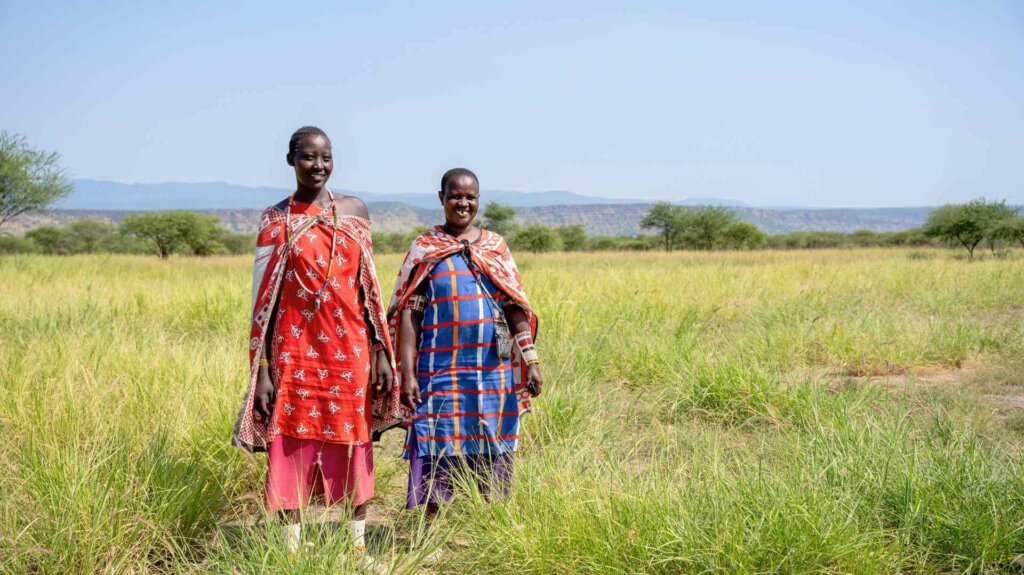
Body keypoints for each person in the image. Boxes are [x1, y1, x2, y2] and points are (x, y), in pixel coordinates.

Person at [231, 126, 402, 560]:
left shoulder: (355, 211)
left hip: (351, 351)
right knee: (289, 442)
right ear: (291, 160)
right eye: (308, 157)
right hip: (293, 353)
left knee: (353, 439)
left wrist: (381, 349)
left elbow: (370, 287)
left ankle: (356, 550)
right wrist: (264, 369)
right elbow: (263, 300)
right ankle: (291, 552)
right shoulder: (277, 218)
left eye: (325, 157)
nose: (318, 166)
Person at [387, 167, 543, 521]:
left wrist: (531, 360)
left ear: (478, 200)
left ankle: (491, 526)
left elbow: (516, 307)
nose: (463, 203)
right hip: (438, 372)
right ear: (441, 198)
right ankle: (431, 531)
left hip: (492, 372)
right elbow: (409, 314)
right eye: (455, 195)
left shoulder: (495, 247)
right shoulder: (426, 248)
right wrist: (408, 374)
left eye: (470, 197)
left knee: (493, 441)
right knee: (437, 443)